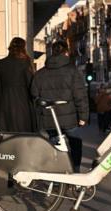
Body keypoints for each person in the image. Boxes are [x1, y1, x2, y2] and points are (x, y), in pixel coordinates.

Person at [31, 40, 89, 172]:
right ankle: (75, 171)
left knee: (54, 145)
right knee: (75, 142)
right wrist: (83, 116)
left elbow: (34, 94)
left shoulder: (40, 74)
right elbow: (80, 96)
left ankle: (56, 174)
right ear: (66, 53)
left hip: (49, 118)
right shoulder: (73, 72)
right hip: (70, 119)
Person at [0, 37, 36, 132]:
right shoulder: (25, 62)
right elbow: (31, 84)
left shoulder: (1, 63)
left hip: (5, 103)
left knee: (7, 133)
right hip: (23, 102)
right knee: (23, 132)